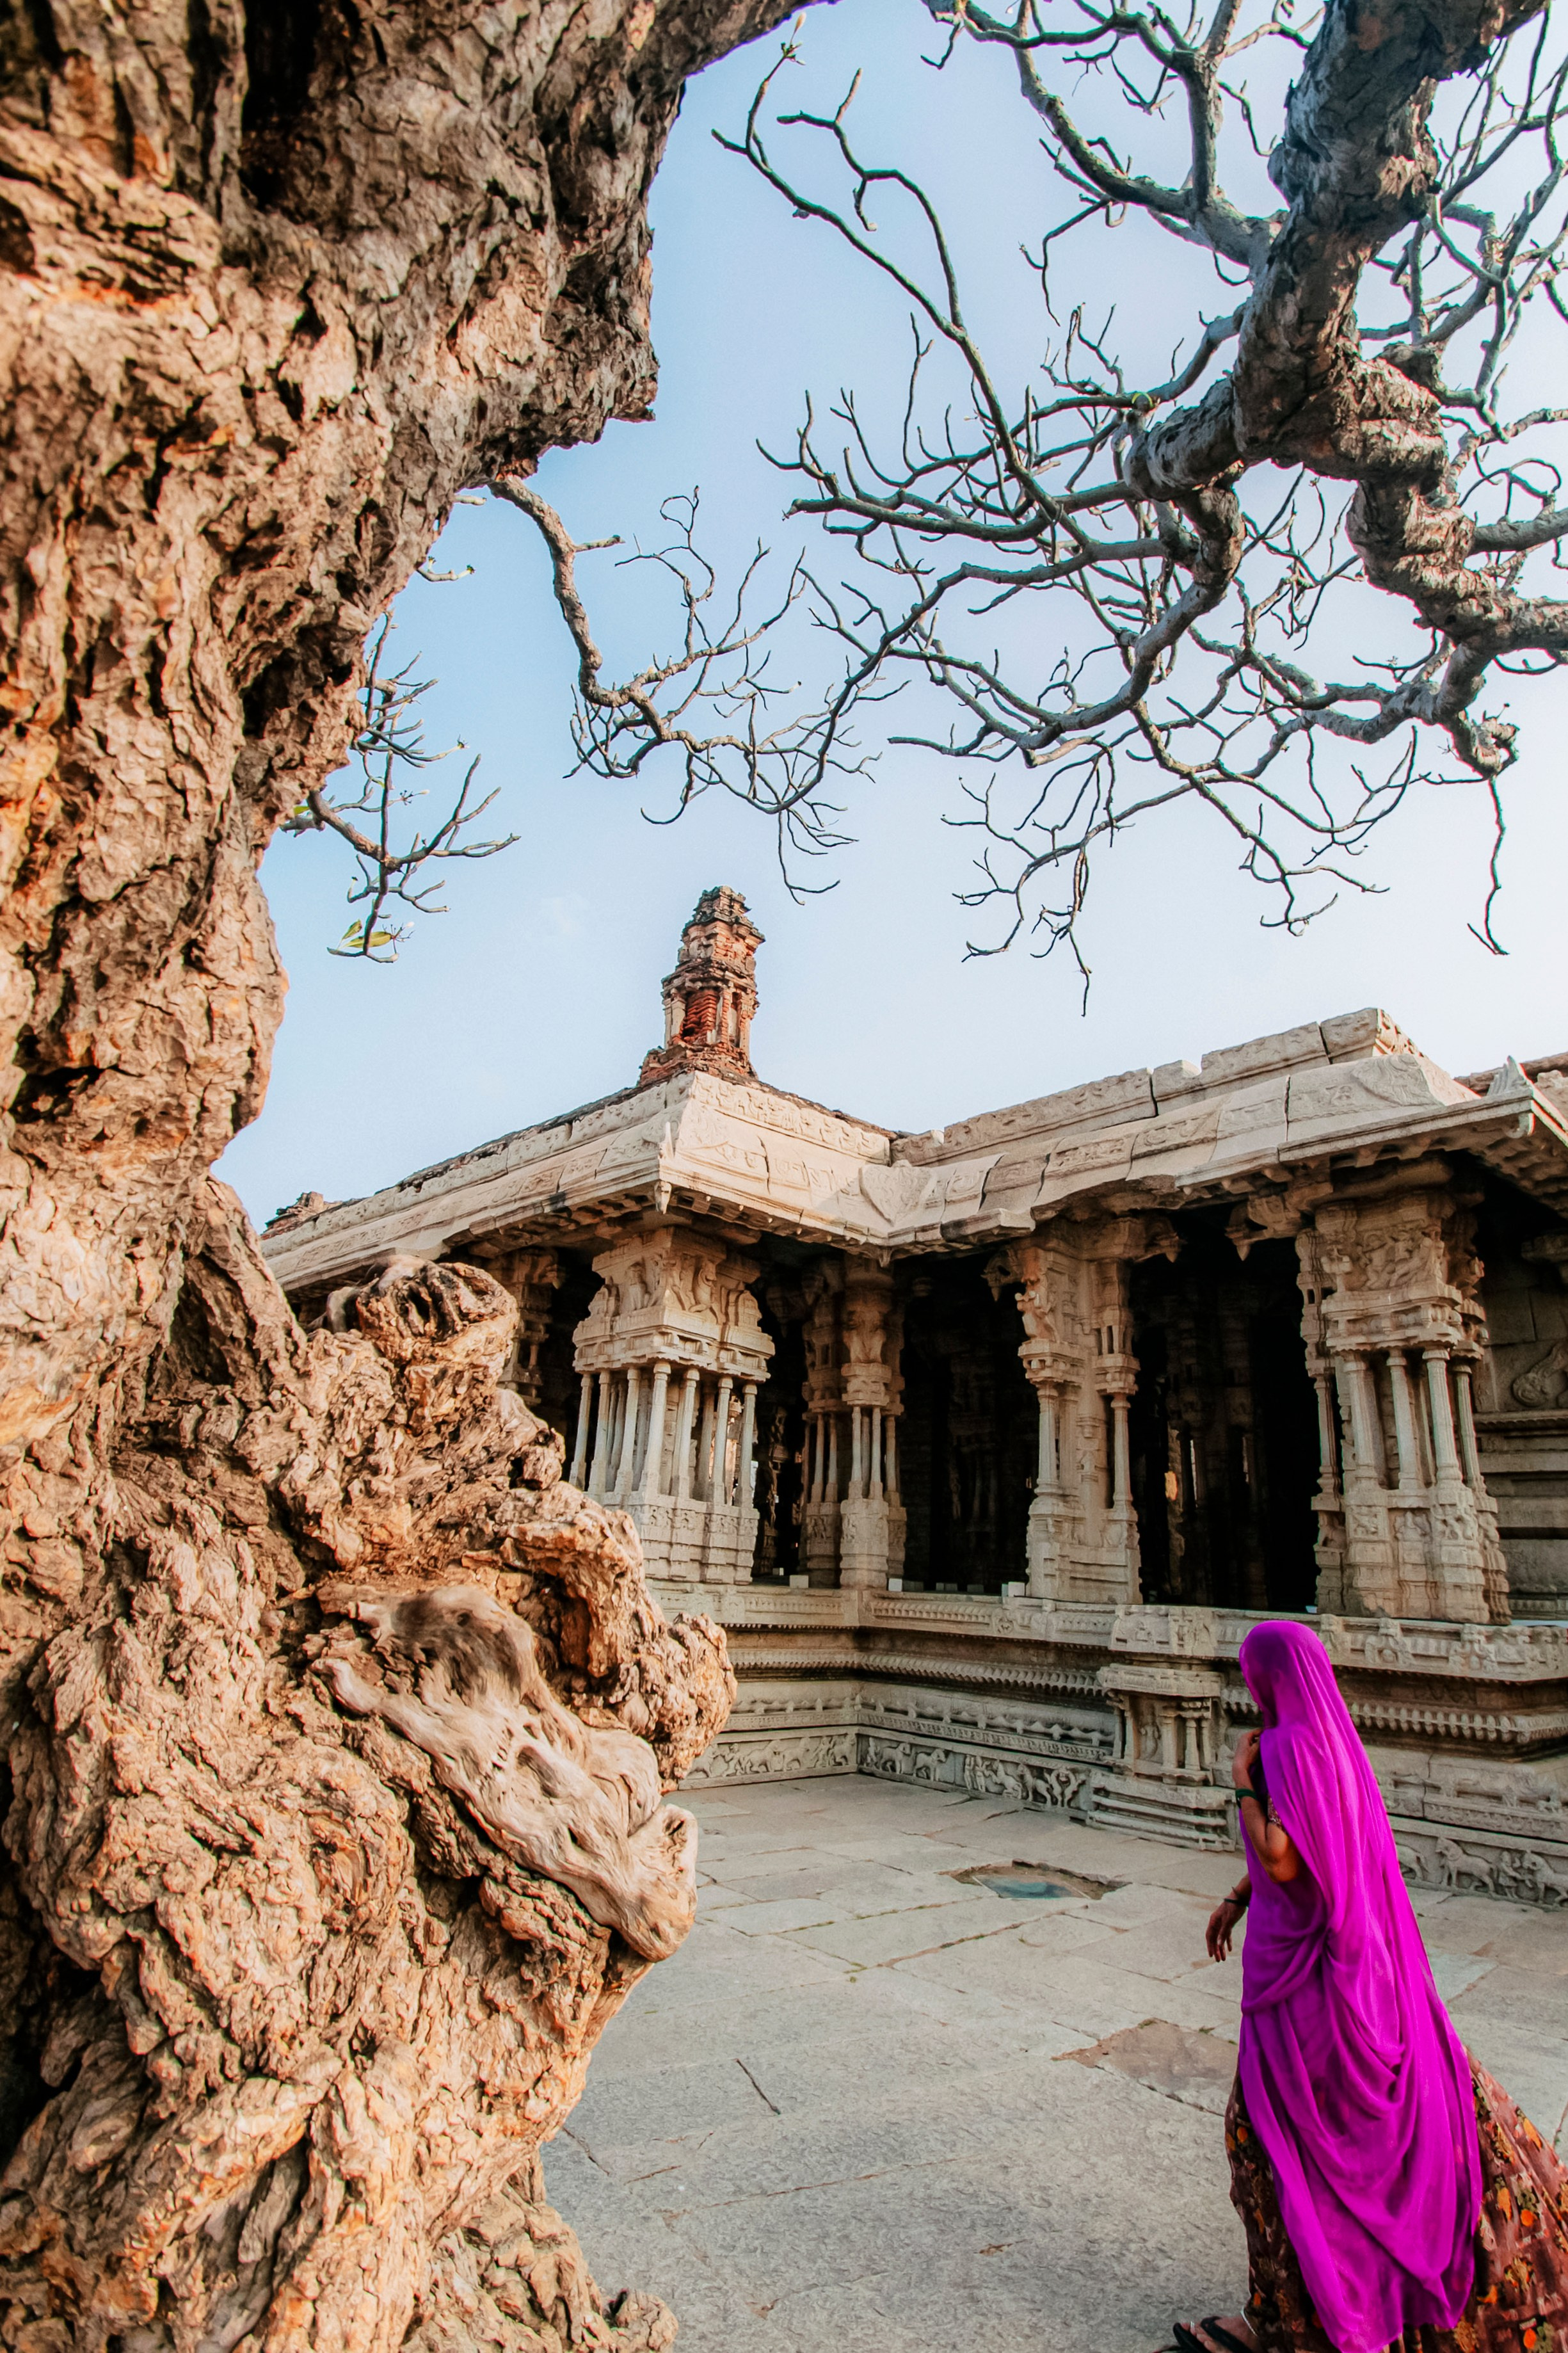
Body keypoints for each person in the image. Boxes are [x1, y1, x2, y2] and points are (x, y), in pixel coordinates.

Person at [1175, 1618, 1568, 2353]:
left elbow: (1288, 1859)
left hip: (1307, 1992)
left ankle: (1283, 2319)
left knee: (1266, 2139)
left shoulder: (1282, 1748)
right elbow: (1331, 1847)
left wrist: (1240, 1787)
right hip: (1366, 1974)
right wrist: (1238, 1894)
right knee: (1375, 2132)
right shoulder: (1334, 1744)